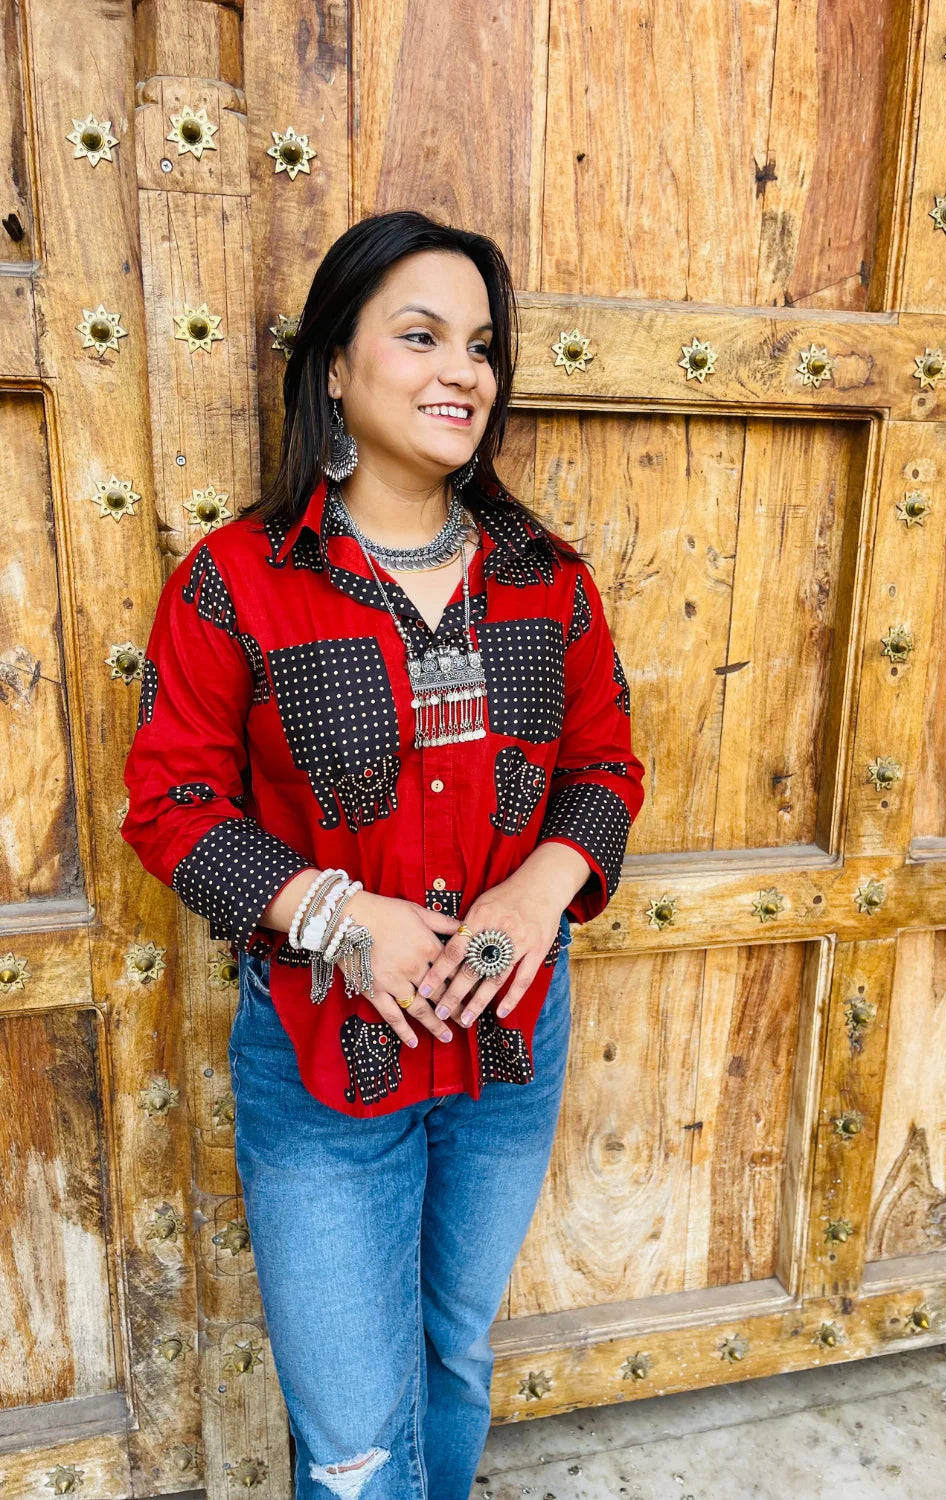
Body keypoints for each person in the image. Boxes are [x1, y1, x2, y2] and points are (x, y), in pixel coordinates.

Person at [121, 209, 645, 1500]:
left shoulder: (546, 582)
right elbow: (171, 802)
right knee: (355, 1438)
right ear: (336, 369)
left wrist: (535, 893)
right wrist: (337, 915)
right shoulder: (238, 583)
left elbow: (606, 773)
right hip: (320, 1062)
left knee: (453, 1357)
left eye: (481, 345)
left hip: (506, 1045)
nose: (462, 369)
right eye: (419, 337)